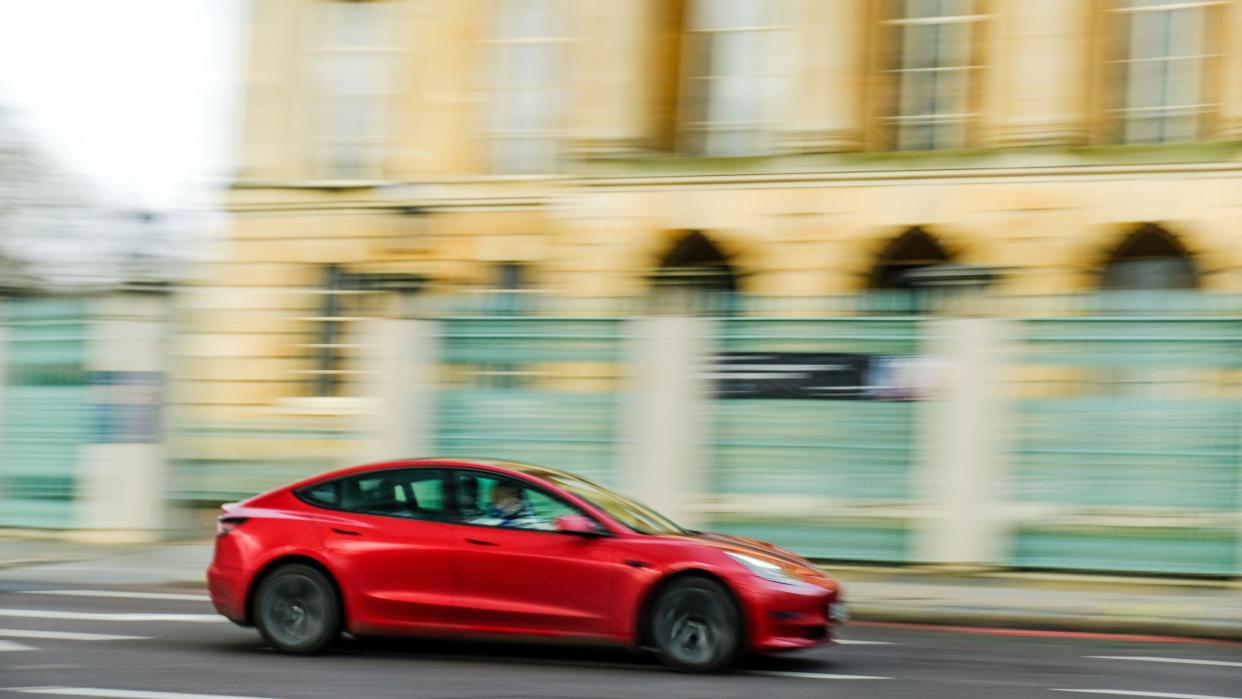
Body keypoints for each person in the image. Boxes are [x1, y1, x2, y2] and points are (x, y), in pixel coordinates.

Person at [469, 480, 552, 530]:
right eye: (510, 494)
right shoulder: (490, 517)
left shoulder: (517, 513)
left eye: (517, 495)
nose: (515, 500)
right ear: (496, 498)